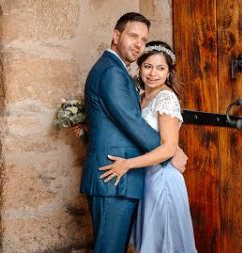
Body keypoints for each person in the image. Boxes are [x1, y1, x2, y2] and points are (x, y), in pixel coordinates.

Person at [79, 12, 188, 253]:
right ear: (116, 35)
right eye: (133, 36)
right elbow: (132, 122)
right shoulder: (112, 72)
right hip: (114, 177)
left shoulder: (114, 69)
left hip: (124, 177)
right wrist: (172, 151)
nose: (139, 44)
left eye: (143, 39)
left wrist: (170, 147)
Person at [99, 41, 197, 253]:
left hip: (163, 178)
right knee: (148, 243)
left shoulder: (166, 98)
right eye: (148, 66)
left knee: (164, 244)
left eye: (161, 68)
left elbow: (169, 149)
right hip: (147, 179)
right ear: (140, 67)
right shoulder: (141, 97)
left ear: (169, 72)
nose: (153, 73)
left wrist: (127, 164)